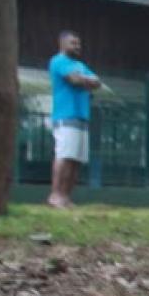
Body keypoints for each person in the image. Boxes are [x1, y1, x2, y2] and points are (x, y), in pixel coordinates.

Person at [48, 30, 102, 209]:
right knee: (64, 155)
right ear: (62, 44)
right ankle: (55, 195)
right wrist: (86, 80)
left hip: (82, 116)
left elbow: (98, 82)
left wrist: (84, 79)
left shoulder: (79, 64)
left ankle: (66, 196)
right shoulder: (58, 61)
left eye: (78, 43)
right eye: (73, 43)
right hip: (65, 116)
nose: (77, 47)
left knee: (76, 159)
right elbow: (74, 80)